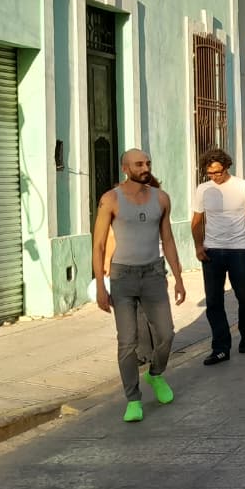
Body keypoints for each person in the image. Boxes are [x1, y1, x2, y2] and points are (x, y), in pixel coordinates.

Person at [91, 149, 186, 422]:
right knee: (127, 342)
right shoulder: (110, 199)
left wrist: (178, 278)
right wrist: (100, 284)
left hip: (154, 274)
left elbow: (167, 239)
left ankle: (156, 374)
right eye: (138, 164)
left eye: (147, 163)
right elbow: (98, 244)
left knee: (166, 334)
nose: (145, 168)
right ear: (125, 168)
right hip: (123, 277)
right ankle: (133, 399)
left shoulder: (161, 198)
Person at [192, 149, 245, 365]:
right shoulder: (203, 189)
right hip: (212, 250)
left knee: (244, 295)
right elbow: (196, 220)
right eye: (210, 173)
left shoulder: (243, 186)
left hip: (239, 249)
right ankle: (221, 347)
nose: (215, 177)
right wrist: (198, 246)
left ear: (227, 167)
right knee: (214, 301)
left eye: (218, 172)